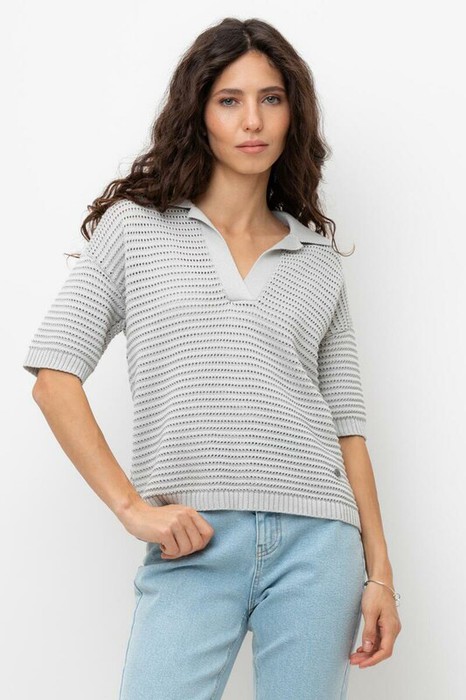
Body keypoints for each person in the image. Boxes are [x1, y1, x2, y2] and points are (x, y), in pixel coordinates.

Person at [22, 16, 401, 700]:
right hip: (191, 541)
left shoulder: (317, 260)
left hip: (320, 545)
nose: (252, 120)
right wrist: (132, 508)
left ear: (293, 114)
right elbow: (54, 376)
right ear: (199, 113)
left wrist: (381, 574)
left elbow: (348, 428)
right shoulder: (136, 229)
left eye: (271, 98)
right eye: (230, 100)